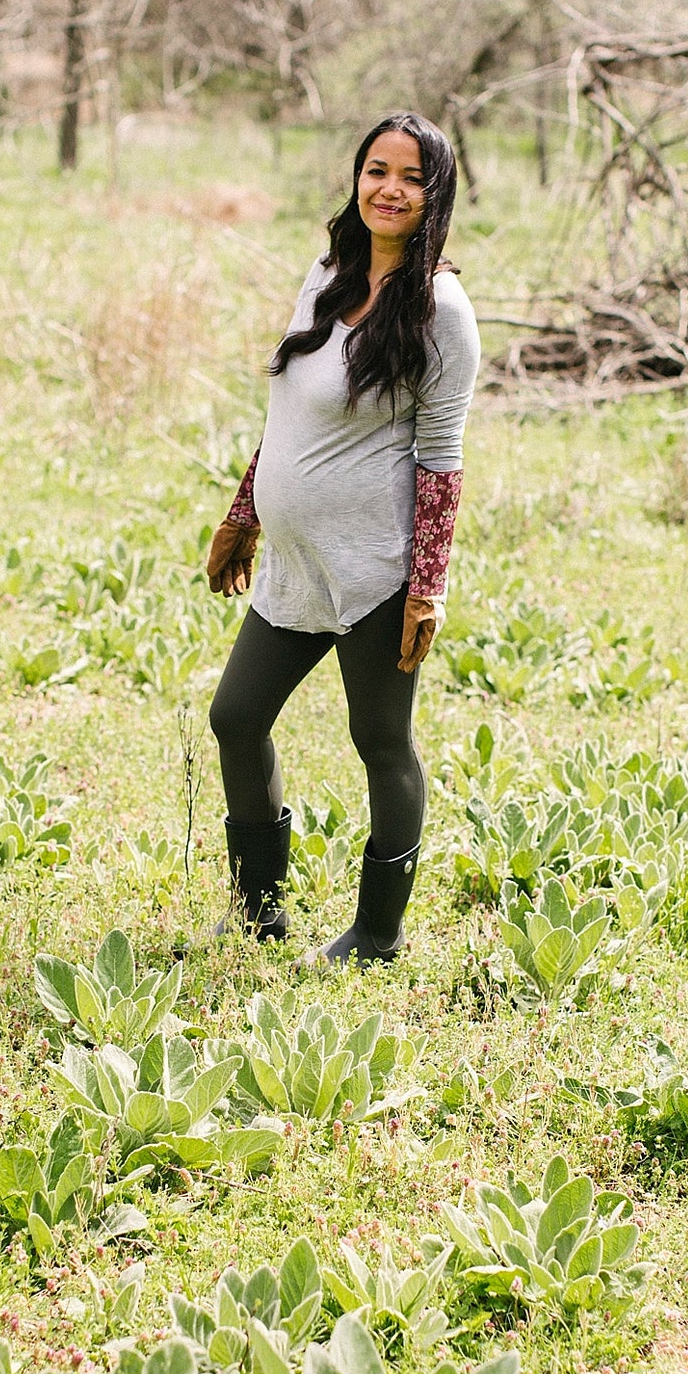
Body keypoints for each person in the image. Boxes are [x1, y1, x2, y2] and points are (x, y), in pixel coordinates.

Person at [205, 111, 481, 965]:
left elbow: (440, 461)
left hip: (376, 572)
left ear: (434, 194)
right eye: (376, 170)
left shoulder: (441, 310)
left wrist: (426, 587)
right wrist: (242, 514)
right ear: (356, 179)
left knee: (380, 743)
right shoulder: (326, 275)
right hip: (295, 564)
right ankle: (260, 913)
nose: (389, 188)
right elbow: (284, 419)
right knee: (236, 717)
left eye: (410, 176)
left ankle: (376, 935)